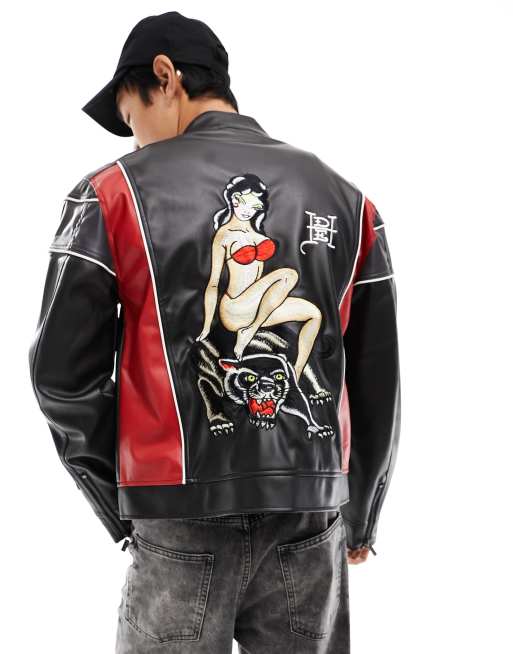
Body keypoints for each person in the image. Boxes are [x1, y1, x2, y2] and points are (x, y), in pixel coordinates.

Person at [28, 10, 401, 653]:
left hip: (176, 516)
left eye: (130, 116)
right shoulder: (347, 200)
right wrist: (360, 514)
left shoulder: (110, 195)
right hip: (309, 514)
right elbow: (376, 377)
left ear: (165, 77)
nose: (134, 141)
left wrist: (121, 499)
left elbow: (61, 376)